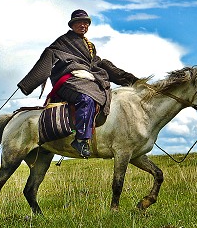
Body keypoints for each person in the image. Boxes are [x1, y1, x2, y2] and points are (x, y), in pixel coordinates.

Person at [17, 9, 138, 158]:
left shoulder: (90, 46)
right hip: (68, 80)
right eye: (79, 22)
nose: (83, 25)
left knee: (101, 91)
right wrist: (28, 83)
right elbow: (49, 55)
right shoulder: (63, 42)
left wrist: (131, 80)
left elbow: (97, 63)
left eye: (86, 23)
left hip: (85, 80)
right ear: (72, 25)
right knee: (86, 98)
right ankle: (80, 139)